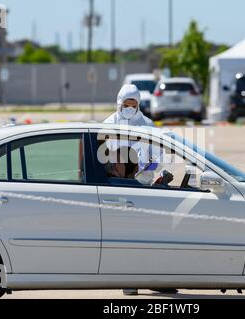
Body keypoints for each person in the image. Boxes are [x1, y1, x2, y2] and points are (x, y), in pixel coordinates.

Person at [104, 85, 178, 297]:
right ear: (119, 103)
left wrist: (151, 174)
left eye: (133, 105)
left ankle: (157, 279)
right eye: (125, 105)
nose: (129, 108)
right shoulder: (108, 124)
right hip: (119, 185)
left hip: (144, 185)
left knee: (154, 235)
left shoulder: (147, 124)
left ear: (138, 104)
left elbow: (157, 157)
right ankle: (130, 280)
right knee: (126, 236)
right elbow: (104, 156)